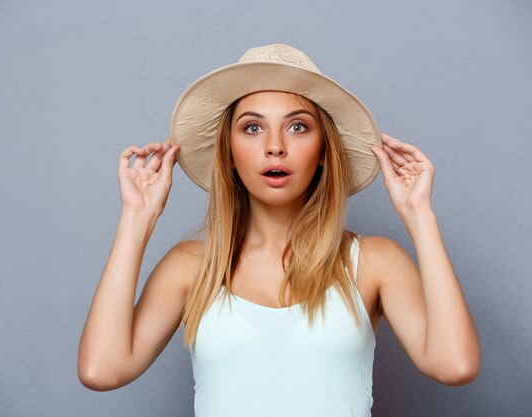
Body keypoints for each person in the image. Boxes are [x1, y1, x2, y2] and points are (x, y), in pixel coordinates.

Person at [77, 44, 481, 416]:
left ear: (324, 150)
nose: (275, 146)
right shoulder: (190, 267)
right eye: (252, 128)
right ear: (229, 154)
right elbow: (101, 371)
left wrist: (419, 216)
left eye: (298, 127)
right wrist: (137, 219)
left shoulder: (374, 262)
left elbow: (455, 365)